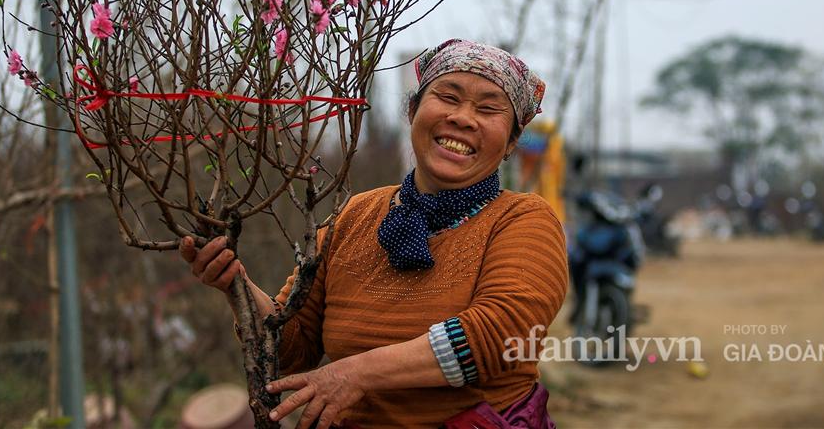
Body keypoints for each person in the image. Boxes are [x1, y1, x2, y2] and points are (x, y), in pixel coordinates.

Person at [180, 39, 568, 428]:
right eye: (448, 97)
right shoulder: (354, 215)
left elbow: (499, 337)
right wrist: (237, 284)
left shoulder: (523, 220)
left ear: (512, 142)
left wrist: (355, 374)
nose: (464, 118)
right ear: (414, 110)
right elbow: (290, 352)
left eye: (487, 108)